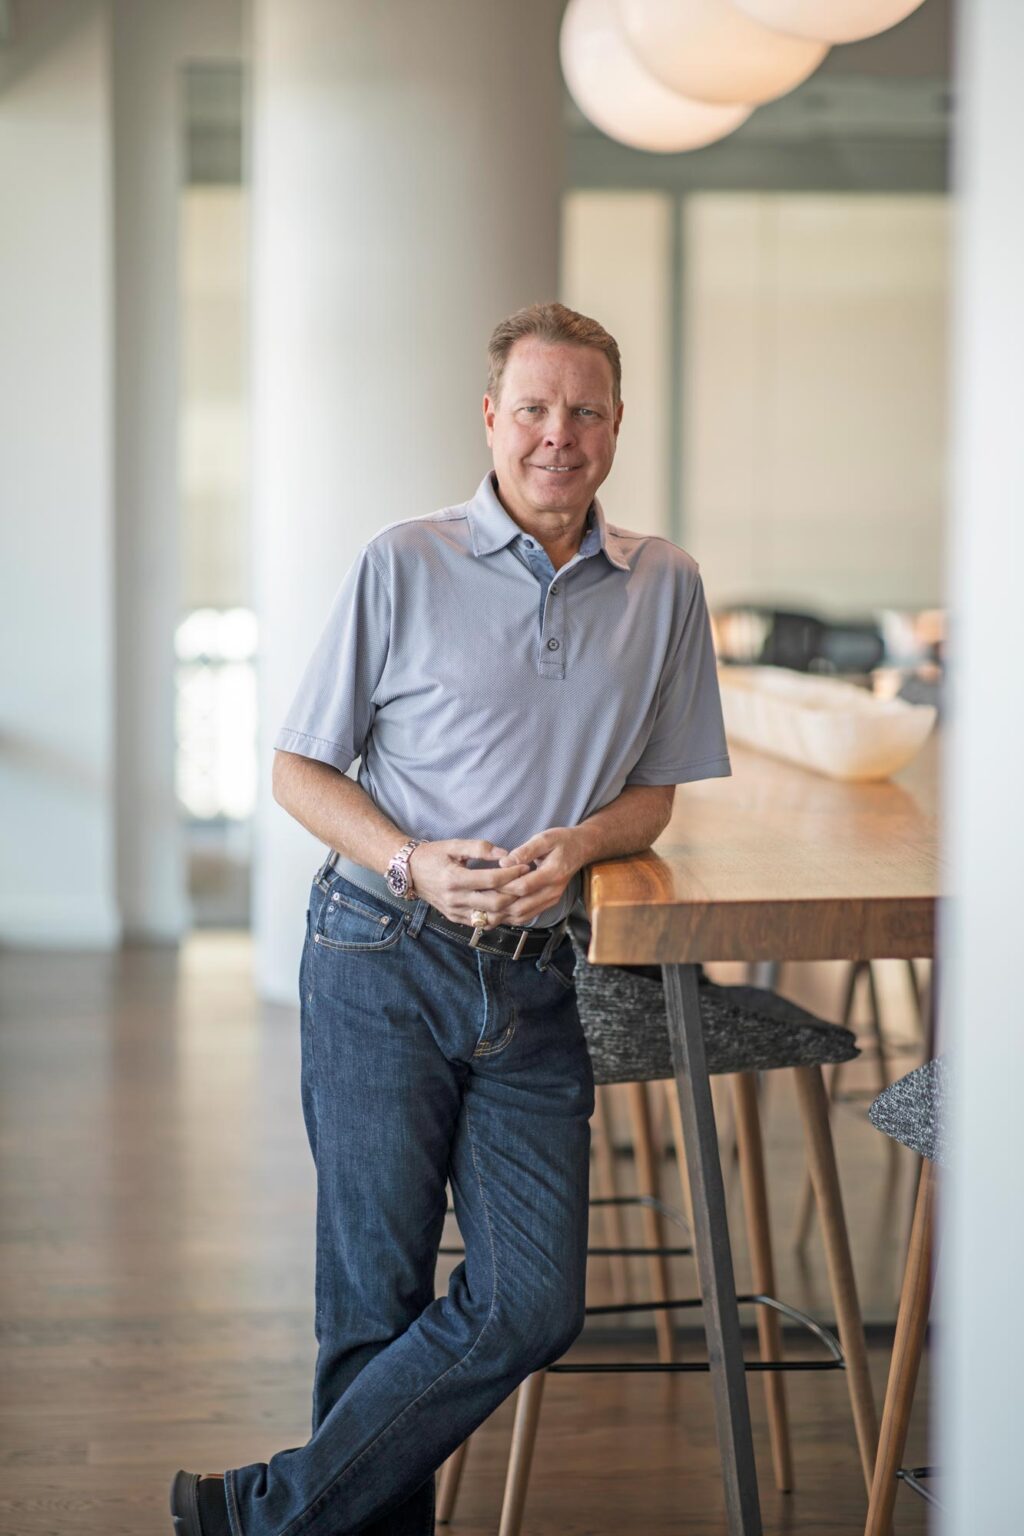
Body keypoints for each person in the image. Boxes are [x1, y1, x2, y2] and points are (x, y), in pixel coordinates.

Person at [170, 302, 730, 1536]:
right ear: (490, 418)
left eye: (585, 411)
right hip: (379, 954)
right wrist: (412, 860)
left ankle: (262, 1519)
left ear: (618, 427)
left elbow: (657, 794)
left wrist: (583, 843)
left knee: (534, 1302)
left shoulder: (665, 585)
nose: (557, 435)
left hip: (538, 984)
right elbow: (299, 773)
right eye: (533, 408)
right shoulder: (401, 560)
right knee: (372, 1297)